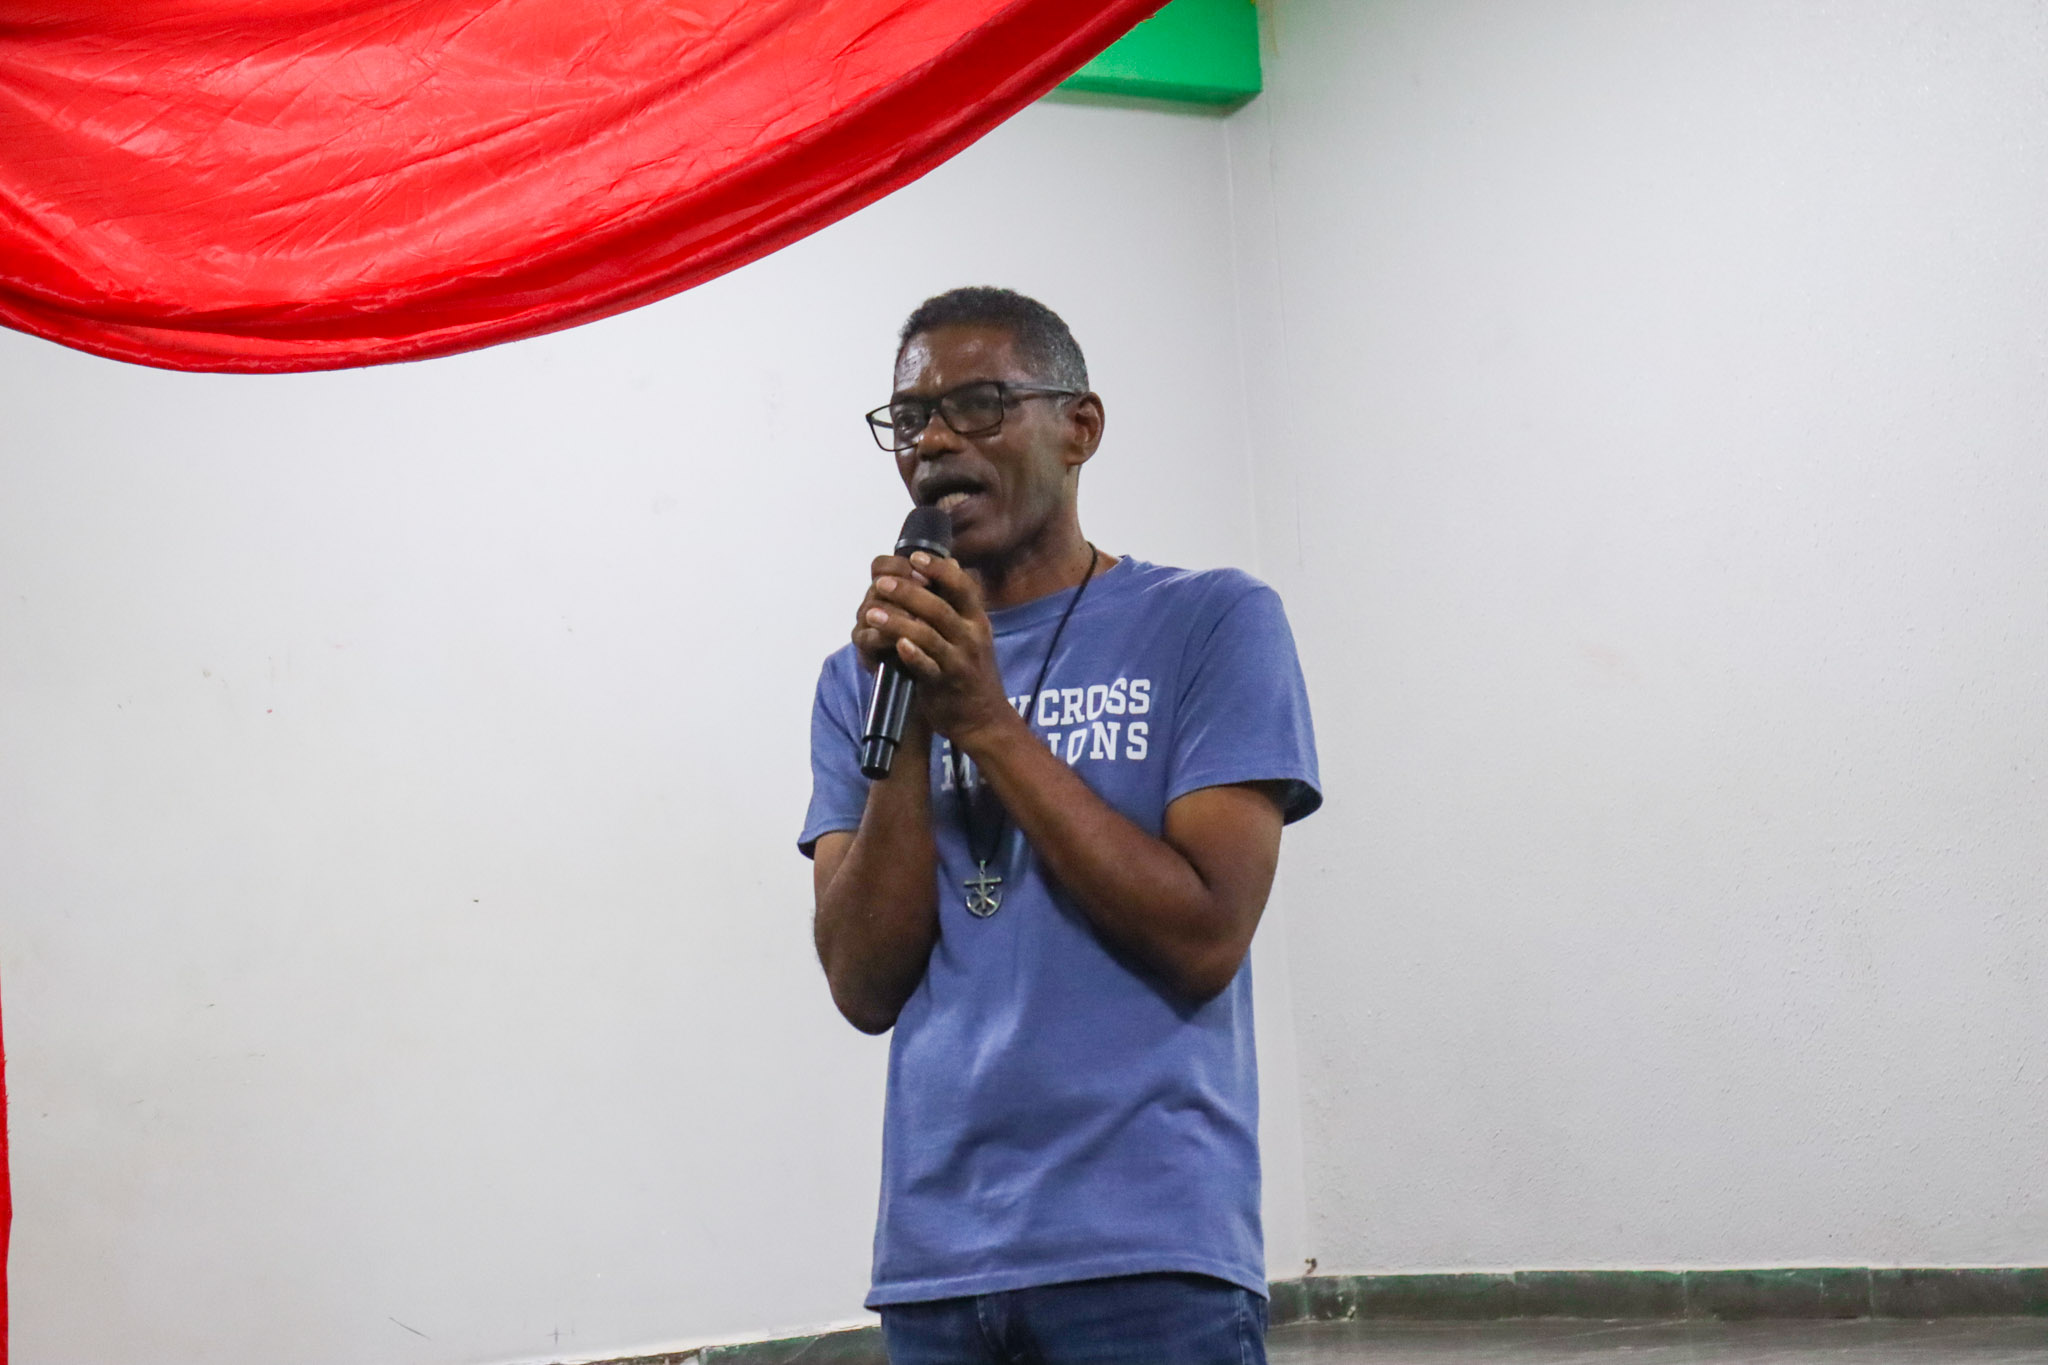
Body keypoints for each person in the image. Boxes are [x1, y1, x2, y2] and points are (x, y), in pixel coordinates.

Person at [800, 287, 1320, 1365]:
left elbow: (1204, 935)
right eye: (912, 419)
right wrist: (914, 717)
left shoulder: (1211, 622)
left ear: (1079, 427)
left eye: (979, 405)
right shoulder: (862, 681)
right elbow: (861, 984)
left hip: (1148, 1262)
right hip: (937, 1271)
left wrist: (988, 723)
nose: (936, 441)